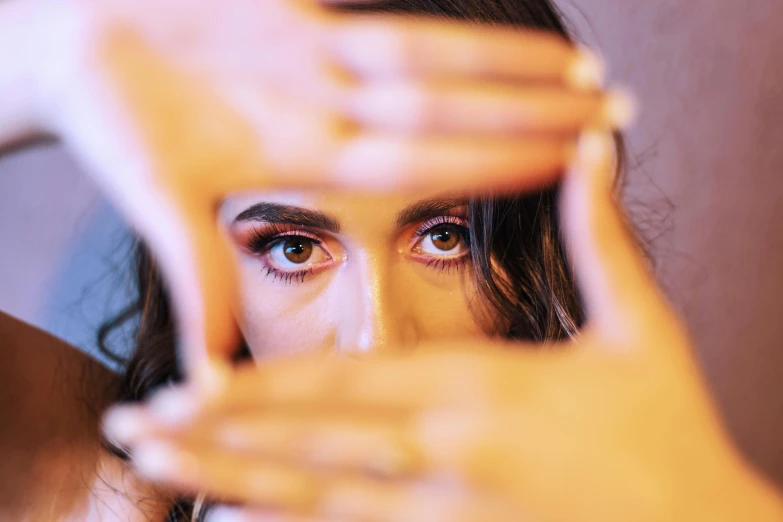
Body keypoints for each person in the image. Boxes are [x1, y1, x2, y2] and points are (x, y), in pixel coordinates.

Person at [0, 2, 780, 522]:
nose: (376, 339)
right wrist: (38, 58)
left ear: (533, 249)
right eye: (294, 249)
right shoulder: (113, 492)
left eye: (445, 238)